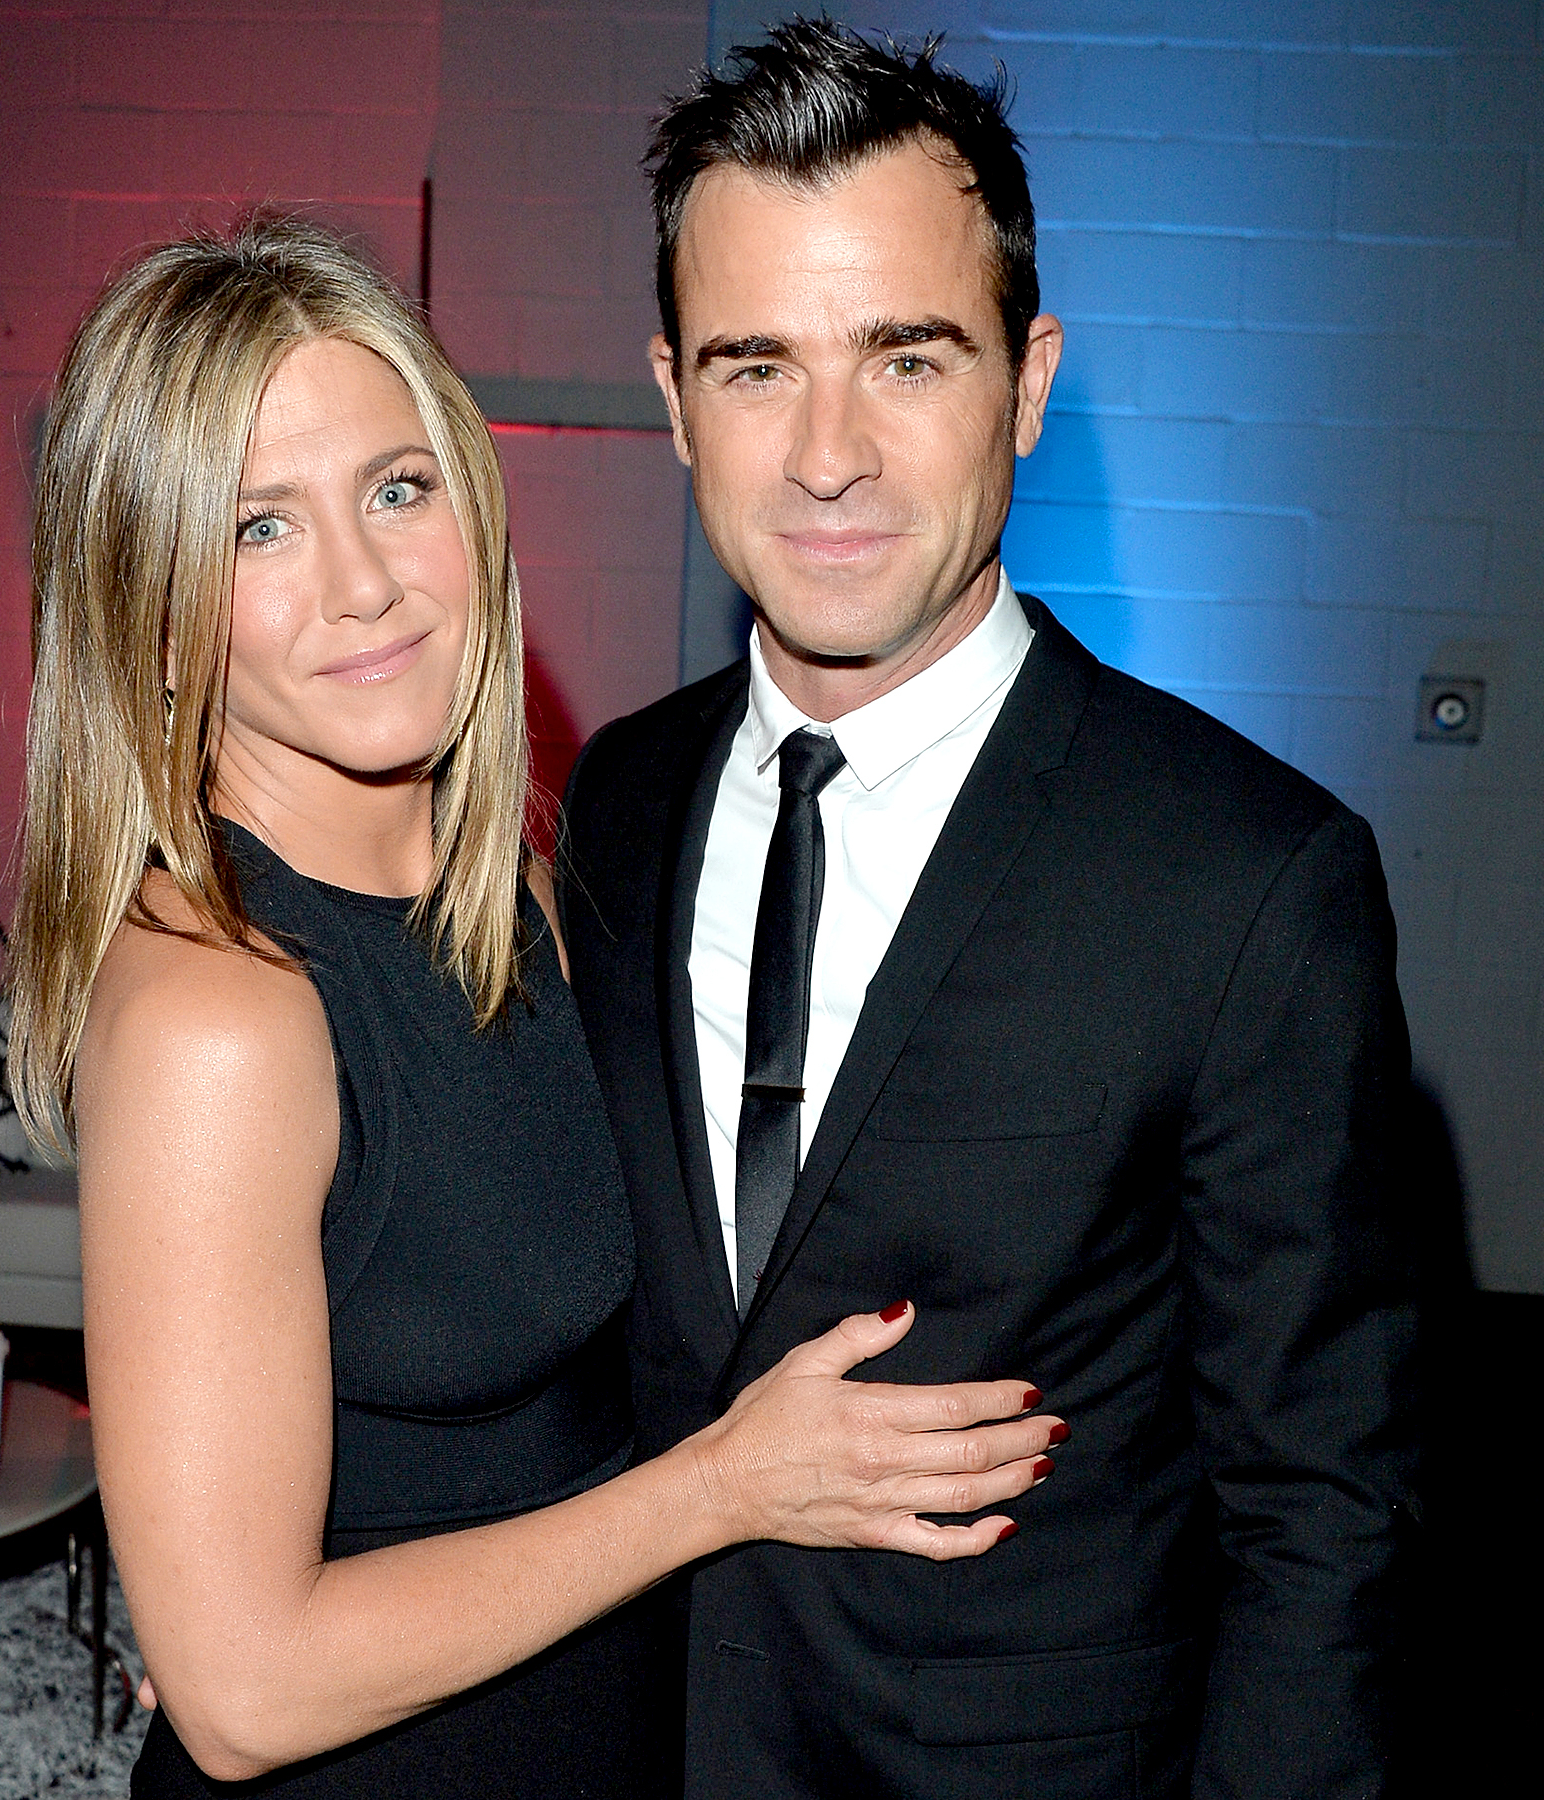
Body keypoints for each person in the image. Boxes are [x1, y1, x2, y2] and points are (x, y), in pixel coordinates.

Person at [4, 213, 1067, 1799]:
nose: (365, 585)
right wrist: (720, 1487)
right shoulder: (219, 1014)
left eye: (394, 488)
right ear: (151, 611)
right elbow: (238, 1690)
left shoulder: (518, 883)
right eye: (255, 530)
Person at [558, 22, 1419, 1800]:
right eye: (752, 366)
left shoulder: (1248, 878)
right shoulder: (610, 804)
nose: (824, 456)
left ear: (1026, 381)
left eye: (904, 358)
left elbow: (1323, 1526)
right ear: (669, 400)